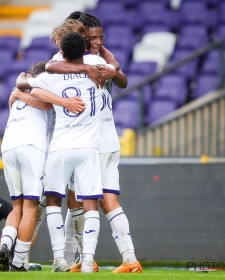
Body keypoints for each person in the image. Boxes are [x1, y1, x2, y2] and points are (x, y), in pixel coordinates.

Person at [48, 11, 142, 274]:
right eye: (94, 37)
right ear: (82, 38)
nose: (98, 41)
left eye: (102, 37)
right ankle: (128, 259)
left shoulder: (74, 61)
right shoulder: (100, 63)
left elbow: (49, 69)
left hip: (92, 142)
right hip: (109, 140)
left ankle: (82, 257)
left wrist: (97, 50)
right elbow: (121, 78)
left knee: (78, 201)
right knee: (107, 200)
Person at [17, 32, 111, 273]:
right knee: (90, 202)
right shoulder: (97, 68)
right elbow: (116, 69)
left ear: (62, 52)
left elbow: (25, 86)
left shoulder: (52, 73)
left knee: (52, 203)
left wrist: (61, 101)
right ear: (84, 48)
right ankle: (88, 260)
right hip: (88, 147)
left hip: (60, 146)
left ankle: (59, 258)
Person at [0, 61, 84, 272]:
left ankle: (6, 244)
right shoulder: (46, 92)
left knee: (16, 204)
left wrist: (18, 94)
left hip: (8, 146)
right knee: (30, 207)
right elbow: (46, 104)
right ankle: (18, 262)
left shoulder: (17, 91)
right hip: (32, 147)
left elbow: (17, 97)